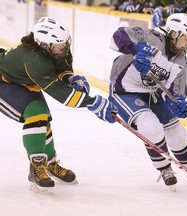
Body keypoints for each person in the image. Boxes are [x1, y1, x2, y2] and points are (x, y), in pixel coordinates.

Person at [0, 17, 118, 192]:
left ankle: (49, 163)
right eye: (59, 46)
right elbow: (63, 96)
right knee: (36, 113)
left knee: (42, 118)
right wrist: (92, 102)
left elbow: (61, 70)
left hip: (24, 80)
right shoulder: (35, 60)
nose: (64, 48)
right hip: (5, 82)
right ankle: (36, 167)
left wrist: (70, 78)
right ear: (44, 45)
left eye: (64, 43)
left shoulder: (57, 49)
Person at [108, 13, 187, 187]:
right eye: (186, 39)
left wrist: (179, 103)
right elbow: (117, 36)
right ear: (173, 33)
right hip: (124, 90)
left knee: (175, 129)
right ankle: (164, 168)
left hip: (152, 93)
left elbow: (177, 90)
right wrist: (136, 48)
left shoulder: (180, 59)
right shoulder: (151, 37)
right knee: (150, 126)